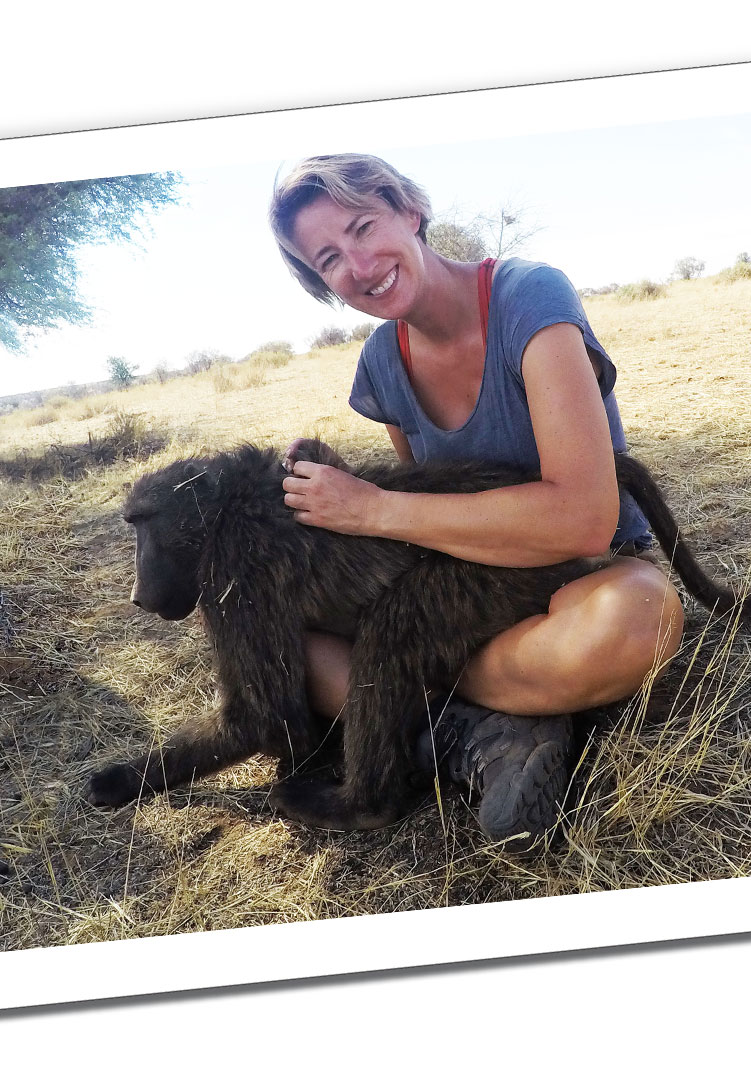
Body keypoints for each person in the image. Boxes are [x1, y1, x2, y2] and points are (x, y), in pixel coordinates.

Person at [268, 153, 685, 849]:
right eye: (329, 259)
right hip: (465, 590)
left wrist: (373, 509)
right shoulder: (381, 363)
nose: (359, 266)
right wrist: (329, 501)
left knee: (636, 619)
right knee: (262, 615)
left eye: (363, 227)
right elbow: (428, 511)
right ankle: (488, 725)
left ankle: (428, 716)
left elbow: (586, 521)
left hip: (577, 575)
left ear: (409, 210)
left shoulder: (529, 298)